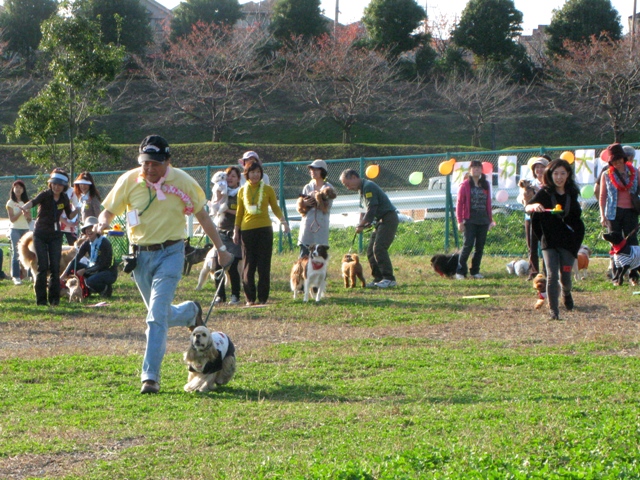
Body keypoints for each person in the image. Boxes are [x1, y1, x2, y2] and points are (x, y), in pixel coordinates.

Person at [97, 135, 233, 394]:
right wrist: (102, 222)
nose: (149, 168)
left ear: (168, 161)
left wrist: (221, 248)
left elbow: (203, 215)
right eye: (145, 163)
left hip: (171, 254)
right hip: (140, 258)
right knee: (158, 314)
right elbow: (109, 210)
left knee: (155, 318)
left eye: (155, 163)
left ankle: (150, 377)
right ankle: (190, 312)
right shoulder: (129, 180)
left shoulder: (183, 181)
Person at [526, 159, 585, 320]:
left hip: (568, 240)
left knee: (565, 276)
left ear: (568, 175)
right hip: (549, 240)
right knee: (552, 275)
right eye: (556, 173)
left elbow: (576, 218)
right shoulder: (544, 193)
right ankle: (554, 311)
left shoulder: (571, 194)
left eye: (562, 173)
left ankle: (566, 293)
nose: (559, 177)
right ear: (550, 175)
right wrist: (534, 207)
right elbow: (527, 206)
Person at [233, 160, 289, 305]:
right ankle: (250, 298)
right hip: (247, 230)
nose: (256, 175)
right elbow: (239, 213)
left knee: (264, 265)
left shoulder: (268, 189)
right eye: (252, 172)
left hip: (264, 229)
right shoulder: (241, 190)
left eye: (258, 172)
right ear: (247, 174)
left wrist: (283, 222)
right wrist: (236, 231)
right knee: (248, 265)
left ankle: (263, 298)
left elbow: (275, 208)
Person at [19, 169, 79, 306]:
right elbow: (33, 202)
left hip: (55, 235)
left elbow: (69, 215)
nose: (57, 187)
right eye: (54, 184)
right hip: (40, 234)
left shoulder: (64, 198)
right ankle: (41, 301)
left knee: (55, 267)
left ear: (64, 186)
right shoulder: (45, 195)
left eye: (60, 184)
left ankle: (54, 300)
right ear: (50, 184)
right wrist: (24, 207)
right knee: (42, 266)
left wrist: (78, 208)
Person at [339, 169, 398, 288]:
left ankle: (389, 279)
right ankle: (378, 278)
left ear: (354, 177)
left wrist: (363, 224)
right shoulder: (361, 189)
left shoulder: (368, 186)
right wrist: (365, 222)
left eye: (347, 184)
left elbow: (372, 208)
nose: (347, 187)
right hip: (380, 221)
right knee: (371, 251)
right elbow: (365, 210)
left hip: (388, 219)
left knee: (379, 248)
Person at [599, 143, 640, 283]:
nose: (616, 163)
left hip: (631, 211)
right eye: (613, 161)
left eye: (618, 160)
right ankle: (616, 276)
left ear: (624, 158)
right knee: (615, 244)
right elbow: (602, 196)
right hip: (613, 212)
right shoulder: (606, 174)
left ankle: (634, 275)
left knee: (633, 243)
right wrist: (602, 215)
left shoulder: (634, 171)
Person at [455, 160, 494, 280]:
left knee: (480, 247)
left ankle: (475, 271)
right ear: (470, 170)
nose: (476, 169)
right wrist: (460, 221)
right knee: (468, 245)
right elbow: (459, 203)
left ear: (481, 170)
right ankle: (460, 271)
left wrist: (490, 220)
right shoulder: (465, 185)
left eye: (478, 167)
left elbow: (488, 203)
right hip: (469, 219)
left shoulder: (485, 184)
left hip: (483, 219)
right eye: (474, 167)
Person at [61, 216, 118, 298]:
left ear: (97, 229)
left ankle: (105, 289)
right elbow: (76, 259)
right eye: (86, 228)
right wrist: (63, 275)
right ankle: (82, 289)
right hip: (94, 268)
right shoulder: (87, 242)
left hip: (108, 272)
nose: (89, 230)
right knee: (75, 266)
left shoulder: (104, 243)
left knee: (90, 281)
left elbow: (101, 265)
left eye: (91, 227)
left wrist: (85, 270)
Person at [212, 165, 243, 306]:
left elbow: (243, 212)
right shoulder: (220, 190)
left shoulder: (240, 193)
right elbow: (215, 207)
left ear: (238, 179)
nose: (229, 178)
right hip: (220, 231)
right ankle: (220, 295)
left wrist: (227, 210)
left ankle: (235, 295)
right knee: (216, 264)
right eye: (228, 175)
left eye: (233, 176)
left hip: (234, 232)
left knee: (234, 265)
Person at [297, 159, 337, 257]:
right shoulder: (307, 187)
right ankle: (304, 272)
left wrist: (318, 200)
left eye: (316, 169)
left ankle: (320, 273)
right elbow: (300, 206)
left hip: (321, 223)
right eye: (311, 169)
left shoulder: (328, 187)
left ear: (322, 171)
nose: (312, 172)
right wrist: (304, 203)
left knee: (320, 255)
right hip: (308, 223)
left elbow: (328, 206)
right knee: (304, 254)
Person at [522, 157, 549, 280]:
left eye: (542, 167)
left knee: (547, 245)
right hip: (531, 218)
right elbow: (523, 201)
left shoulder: (550, 183)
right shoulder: (529, 183)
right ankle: (533, 272)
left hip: (546, 218)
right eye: (537, 167)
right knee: (531, 246)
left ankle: (547, 271)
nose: (539, 169)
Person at [6, 180, 32, 285]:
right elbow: (12, 219)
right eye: (16, 187)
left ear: (23, 190)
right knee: (16, 253)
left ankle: (30, 275)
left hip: (25, 229)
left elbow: (29, 219)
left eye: (20, 187)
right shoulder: (10, 203)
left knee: (29, 252)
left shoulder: (26, 202)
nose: (18, 189)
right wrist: (21, 212)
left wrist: (26, 214)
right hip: (15, 229)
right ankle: (16, 276)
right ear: (13, 189)